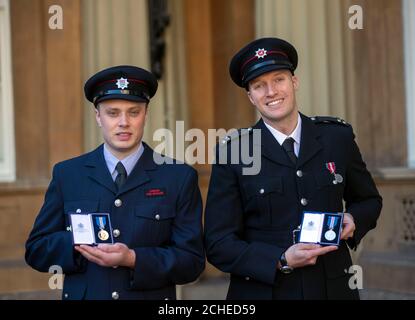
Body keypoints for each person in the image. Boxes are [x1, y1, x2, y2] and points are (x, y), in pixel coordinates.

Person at [204, 38, 382, 300]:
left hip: (332, 290)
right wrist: (280, 259)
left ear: (294, 81)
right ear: (250, 97)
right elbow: (218, 243)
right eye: (259, 86)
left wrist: (353, 220)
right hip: (265, 292)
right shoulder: (234, 153)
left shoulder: (337, 138)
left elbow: (368, 200)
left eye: (279, 79)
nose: (271, 92)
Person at [25, 65, 205, 300]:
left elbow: (191, 262)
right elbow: (37, 249)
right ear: (98, 117)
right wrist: (80, 245)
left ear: (146, 114)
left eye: (133, 112)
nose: (123, 122)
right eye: (112, 113)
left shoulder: (178, 177)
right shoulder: (68, 174)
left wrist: (133, 259)